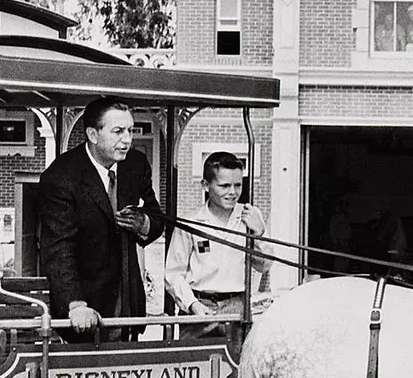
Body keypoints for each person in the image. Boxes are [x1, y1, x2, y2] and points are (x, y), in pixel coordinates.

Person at [38, 97, 165, 341]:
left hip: (129, 306)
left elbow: (156, 215)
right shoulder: (61, 177)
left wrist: (145, 224)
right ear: (93, 135)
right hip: (86, 310)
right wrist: (75, 305)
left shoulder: (135, 164)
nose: (127, 139)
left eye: (130, 130)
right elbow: (58, 249)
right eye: (118, 131)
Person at [165, 151, 269, 334]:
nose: (233, 192)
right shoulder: (190, 223)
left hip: (237, 309)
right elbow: (173, 274)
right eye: (224, 186)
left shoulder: (250, 218)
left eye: (238, 185)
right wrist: (193, 304)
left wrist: (259, 233)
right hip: (198, 311)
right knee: (197, 361)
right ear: (205, 185)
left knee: (236, 361)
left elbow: (264, 266)